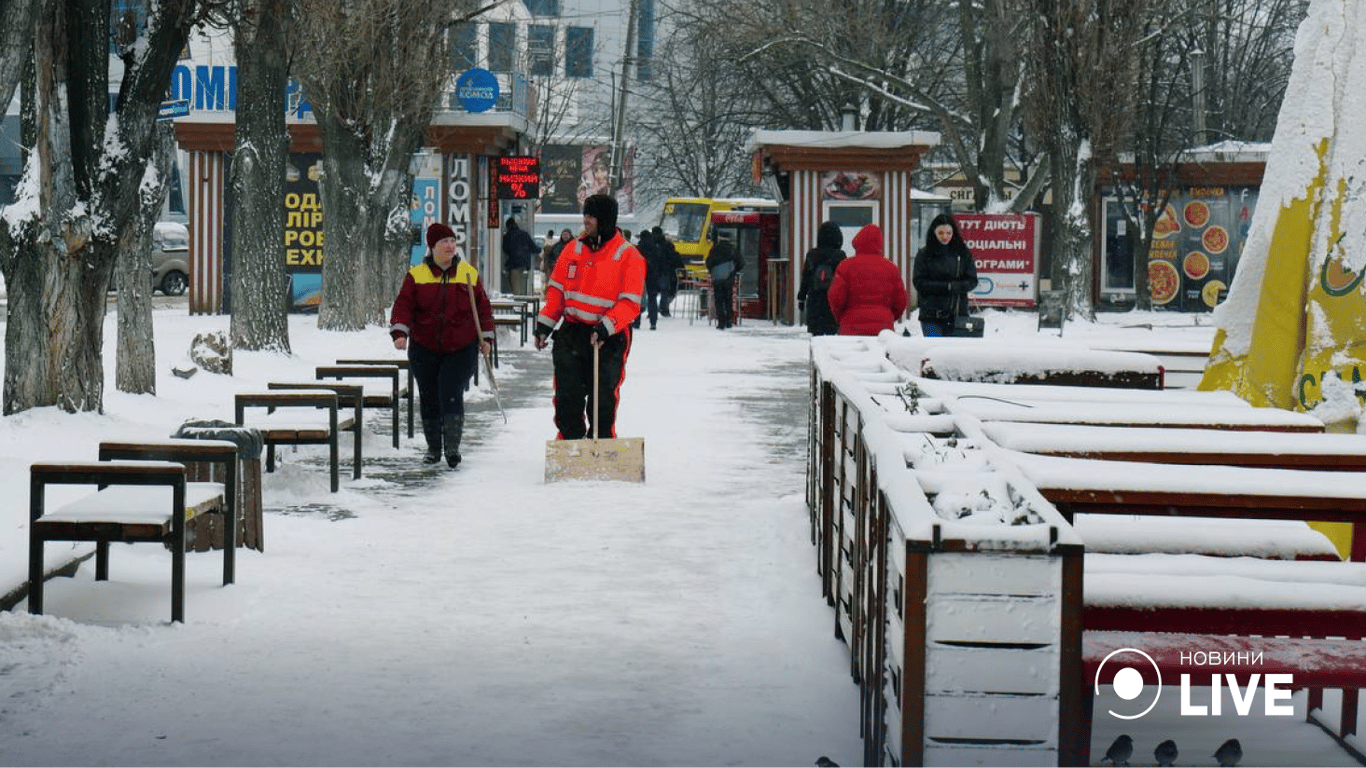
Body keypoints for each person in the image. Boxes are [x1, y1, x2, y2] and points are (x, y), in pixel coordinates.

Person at [533, 194, 646, 439]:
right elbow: (557, 293)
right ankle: (570, 442)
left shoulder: (629, 256)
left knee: (602, 398)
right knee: (567, 396)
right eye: (585, 215)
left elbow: (630, 303)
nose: (586, 221)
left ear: (605, 220)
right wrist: (544, 326)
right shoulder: (572, 250)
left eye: (591, 216)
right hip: (572, 333)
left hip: (608, 337)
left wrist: (606, 327)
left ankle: (602, 442)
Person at [389, 222, 495, 467]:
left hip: (460, 348)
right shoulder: (417, 275)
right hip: (424, 347)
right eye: (443, 242)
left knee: (450, 391)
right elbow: (404, 305)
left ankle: (452, 448)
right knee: (429, 396)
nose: (449, 246)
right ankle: (434, 448)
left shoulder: (468, 274)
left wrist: (486, 339)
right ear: (432, 247)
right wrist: (400, 332)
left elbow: (483, 309)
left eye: (451, 241)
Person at [827, 223, 908, 336]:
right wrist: (887, 316)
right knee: (879, 354)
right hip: (883, 330)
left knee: (851, 354)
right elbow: (901, 301)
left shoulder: (845, 266)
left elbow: (835, 298)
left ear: (857, 242)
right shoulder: (891, 268)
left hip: (851, 326)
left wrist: (842, 317)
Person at [912, 213, 978, 337]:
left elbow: (972, 280)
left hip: (958, 315)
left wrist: (956, 286)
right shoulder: (924, 254)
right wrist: (946, 287)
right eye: (941, 233)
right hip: (930, 317)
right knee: (933, 351)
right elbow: (919, 282)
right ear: (934, 233)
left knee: (956, 354)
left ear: (954, 233)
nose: (945, 237)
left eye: (948, 233)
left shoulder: (963, 253)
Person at [797, 221, 847, 336]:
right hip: (833, 303)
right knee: (833, 339)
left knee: (816, 338)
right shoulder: (840, 255)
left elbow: (805, 278)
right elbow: (844, 280)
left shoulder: (812, 255)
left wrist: (801, 298)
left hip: (815, 303)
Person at [704, 229, 743, 329]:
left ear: (720, 238)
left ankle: (721, 322)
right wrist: (733, 271)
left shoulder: (715, 249)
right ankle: (729, 321)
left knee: (719, 300)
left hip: (717, 278)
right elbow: (741, 263)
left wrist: (712, 271)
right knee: (728, 299)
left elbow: (708, 262)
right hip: (729, 278)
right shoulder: (733, 249)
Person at [651, 226, 683, 316]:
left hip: (652, 271)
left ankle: (652, 310)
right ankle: (664, 309)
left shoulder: (650, 244)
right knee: (664, 290)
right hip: (665, 271)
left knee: (652, 292)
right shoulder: (667, 244)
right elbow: (673, 257)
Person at [501, 217, 537, 295]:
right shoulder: (525, 234)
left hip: (514, 264)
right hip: (525, 264)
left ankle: (518, 303)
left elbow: (505, 250)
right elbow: (533, 248)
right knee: (523, 284)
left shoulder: (507, 236)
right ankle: (523, 298)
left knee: (516, 287)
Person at [635, 229, 662, 329]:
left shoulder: (638, 248)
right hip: (653, 275)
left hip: (640, 274)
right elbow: (660, 262)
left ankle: (636, 322)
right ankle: (653, 322)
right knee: (652, 298)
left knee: (638, 299)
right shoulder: (655, 247)